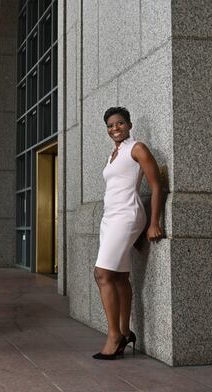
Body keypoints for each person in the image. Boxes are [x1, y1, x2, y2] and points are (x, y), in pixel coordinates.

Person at [92, 107, 163, 360]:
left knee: (101, 274)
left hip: (127, 215)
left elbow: (156, 185)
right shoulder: (114, 152)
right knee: (120, 277)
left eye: (119, 124)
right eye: (110, 126)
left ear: (129, 125)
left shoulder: (137, 148)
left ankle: (114, 336)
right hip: (109, 218)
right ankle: (125, 330)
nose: (115, 129)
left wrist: (153, 222)